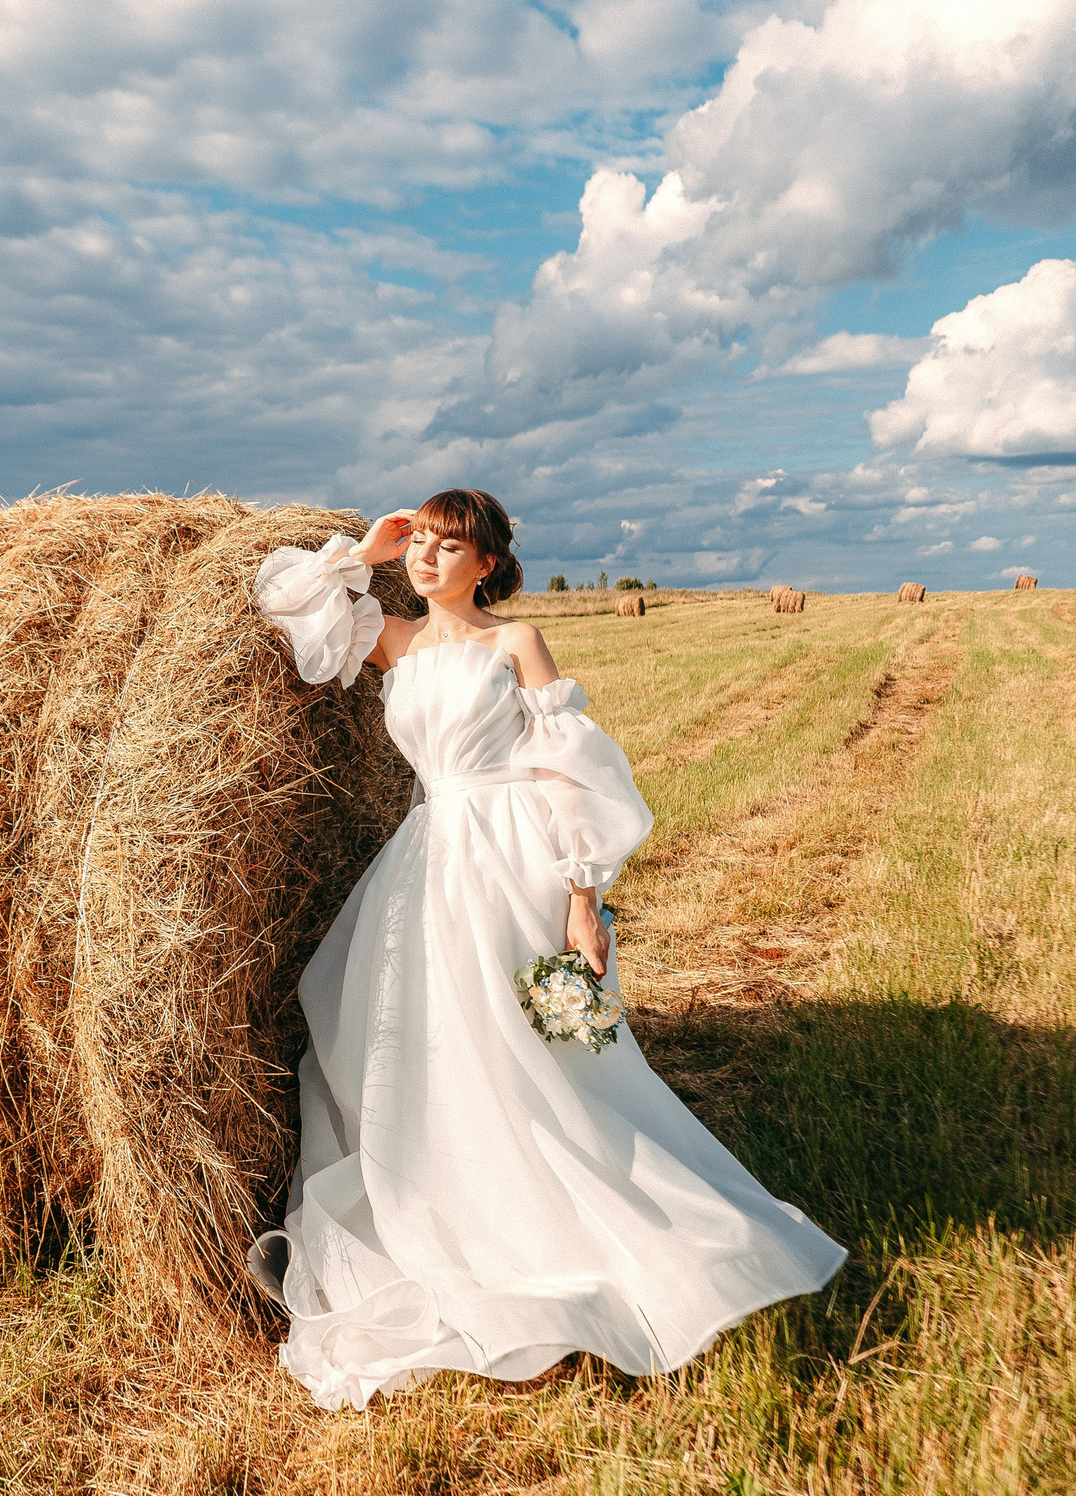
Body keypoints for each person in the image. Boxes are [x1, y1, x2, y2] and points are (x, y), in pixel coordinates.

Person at [247, 488, 846, 1410]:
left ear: (487, 564)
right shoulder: (393, 641)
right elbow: (285, 601)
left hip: (513, 854)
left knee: (531, 1041)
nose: (427, 557)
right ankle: (459, 1193)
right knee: (429, 1034)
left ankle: (588, 1215)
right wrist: (361, 556)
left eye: (450, 546)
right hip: (429, 855)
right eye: (421, 542)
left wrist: (582, 899)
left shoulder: (517, 642)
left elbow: (572, 770)